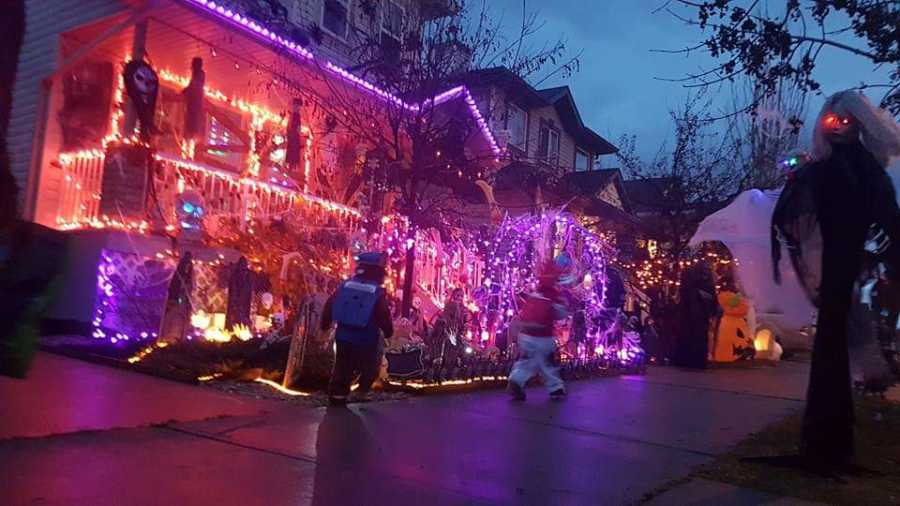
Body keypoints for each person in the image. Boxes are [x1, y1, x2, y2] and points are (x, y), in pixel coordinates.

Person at [771, 90, 900, 472]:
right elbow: (795, 212)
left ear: (860, 122)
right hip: (834, 268)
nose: (839, 126)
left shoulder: (866, 170)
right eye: (833, 119)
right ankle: (826, 443)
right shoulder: (823, 169)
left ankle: (830, 446)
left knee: (836, 345)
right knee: (830, 349)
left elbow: (888, 219)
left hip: (847, 267)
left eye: (847, 119)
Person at [320, 252, 393, 406]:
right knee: (371, 365)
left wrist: (325, 324)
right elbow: (383, 314)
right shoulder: (376, 291)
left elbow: (330, 305)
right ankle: (362, 390)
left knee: (342, 364)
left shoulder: (345, 286)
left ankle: (337, 395)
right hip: (366, 338)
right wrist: (388, 331)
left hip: (343, 335)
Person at [507, 260, 568, 400]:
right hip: (543, 336)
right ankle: (556, 388)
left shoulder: (535, 293)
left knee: (527, 361)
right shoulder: (553, 295)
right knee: (547, 363)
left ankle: (516, 380)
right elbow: (561, 313)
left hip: (526, 334)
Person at [672, 259, 718, 369]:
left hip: (699, 314)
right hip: (693, 313)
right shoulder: (693, 278)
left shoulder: (704, 280)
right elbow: (689, 293)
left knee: (698, 336)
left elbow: (711, 295)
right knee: (693, 336)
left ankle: (695, 360)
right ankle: (692, 361)